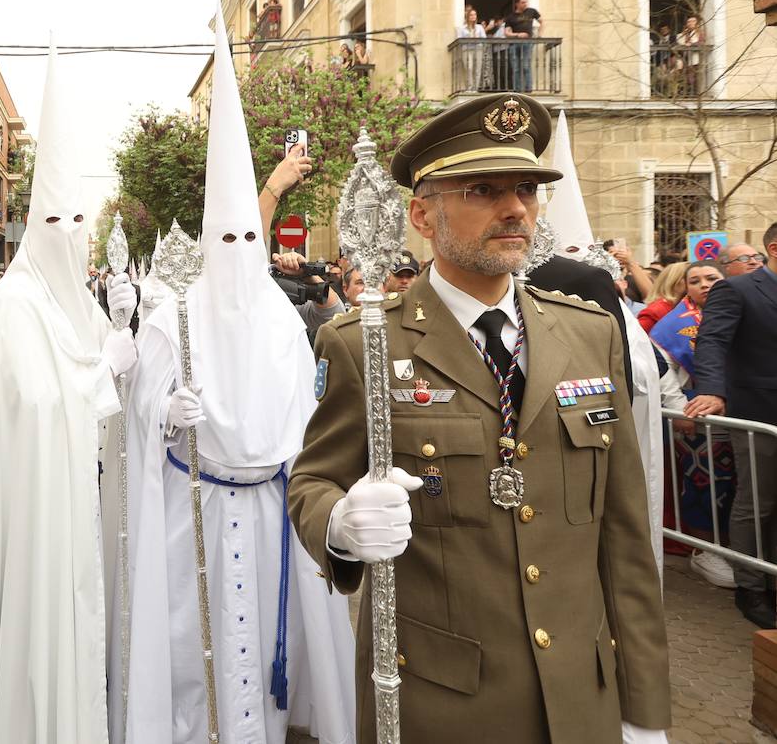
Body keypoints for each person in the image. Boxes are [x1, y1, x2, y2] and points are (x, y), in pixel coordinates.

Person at [289, 93, 671, 743]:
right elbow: (312, 483)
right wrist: (341, 525)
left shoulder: (589, 334)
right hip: (442, 703)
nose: (515, 207)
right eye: (483, 190)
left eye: (526, 188)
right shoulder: (365, 345)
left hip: (582, 698)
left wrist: (645, 710)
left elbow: (626, 536)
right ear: (422, 214)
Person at [125, 19, 356, 744]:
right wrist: (164, 408)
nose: (235, 252)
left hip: (270, 510)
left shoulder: (284, 322)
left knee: (265, 637)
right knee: (197, 645)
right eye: (223, 238)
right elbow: (135, 411)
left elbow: (308, 411)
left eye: (245, 241)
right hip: (191, 503)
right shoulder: (170, 319)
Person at [0, 45, 138, 744]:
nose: (68, 238)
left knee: (77, 621)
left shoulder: (74, 304)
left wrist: (120, 346)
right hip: (29, 509)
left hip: (73, 501)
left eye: (76, 224)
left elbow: (105, 387)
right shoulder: (17, 301)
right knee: (36, 631)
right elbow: (30, 406)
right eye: (53, 224)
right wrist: (102, 376)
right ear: (33, 228)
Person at [687, 221, 777, 627]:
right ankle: (751, 587)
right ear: (774, 248)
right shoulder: (738, 289)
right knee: (757, 502)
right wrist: (713, 391)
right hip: (759, 412)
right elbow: (712, 341)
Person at [652, 263, 737, 594]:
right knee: (704, 484)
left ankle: (736, 550)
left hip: (741, 412)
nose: (704, 285)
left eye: (712, 278)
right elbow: (663, 372)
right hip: (697, 419)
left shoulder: (738, 312)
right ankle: (706, 551)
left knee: (740, 488)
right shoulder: (670, 326)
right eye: (695, 281)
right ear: (684, 288)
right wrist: (679, 410)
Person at [501, 0, 541, 92]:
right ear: (517, 4)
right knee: (516, 68)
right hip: (514, 44)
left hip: (527, 43)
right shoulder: (510, 17)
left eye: (526, 2)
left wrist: (539, 35)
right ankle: (517, 90)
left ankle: (528, 89)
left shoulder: (532, 12)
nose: (525, 4)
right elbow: (506, 33)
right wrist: (518, 35)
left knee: (526, 66)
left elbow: (542, 22)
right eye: (523, 2)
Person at [638, 261, 688, 333]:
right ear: (674, 282)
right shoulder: (656, 311)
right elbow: (636, 339)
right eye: (694, 280)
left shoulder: (686, 307)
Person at [456, 5, 487, 92]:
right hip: (467, 49)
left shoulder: (479, 27)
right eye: (471, 15)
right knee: (469, 68)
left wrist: (478, 38)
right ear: (468, 17)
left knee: (477, 68)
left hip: (478, 49)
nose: (473, 17)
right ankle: (469, 87)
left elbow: (484, 38)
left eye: (475, 15)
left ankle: (475, 88)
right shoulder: (462, 28)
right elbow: (459, 39)